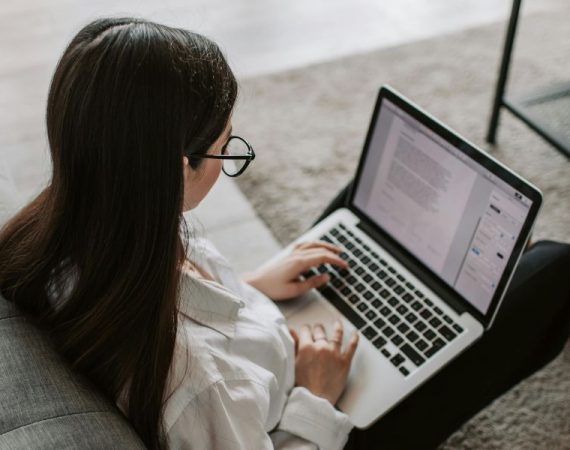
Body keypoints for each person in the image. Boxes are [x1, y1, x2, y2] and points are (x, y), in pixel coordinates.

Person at [0, 17, 569, 450]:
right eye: (226, 147)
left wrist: (249, 286)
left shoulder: (69, 232)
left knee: (358, 212)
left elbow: (171, 301)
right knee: (552, 266)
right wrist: (317, 396)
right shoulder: (202, 388)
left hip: (263, 343)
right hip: (319, 416)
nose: (229, 155)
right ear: (177, 169)